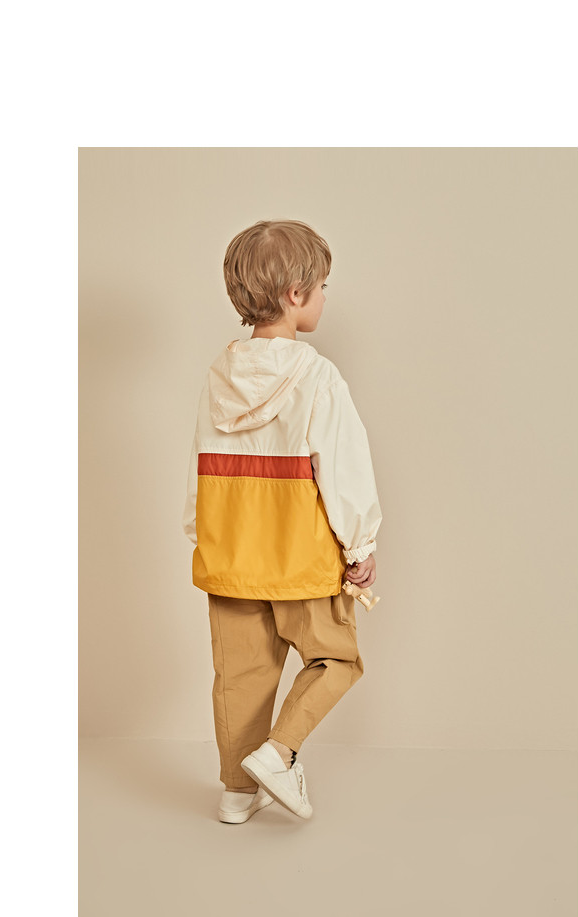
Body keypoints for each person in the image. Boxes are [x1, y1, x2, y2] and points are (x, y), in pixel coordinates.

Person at [182, 219, 382, 824]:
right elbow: (343, 468)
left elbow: (200, 460)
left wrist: (201, 534)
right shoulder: (318, 376)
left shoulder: (218, 375)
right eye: (321, 287)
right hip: (299, 556)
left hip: (231, 553)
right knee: (336, 659)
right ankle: (278, 753)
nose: (323, 297)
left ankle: (236, 793)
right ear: (296, 294)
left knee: (240, 677)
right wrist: (360, 544)